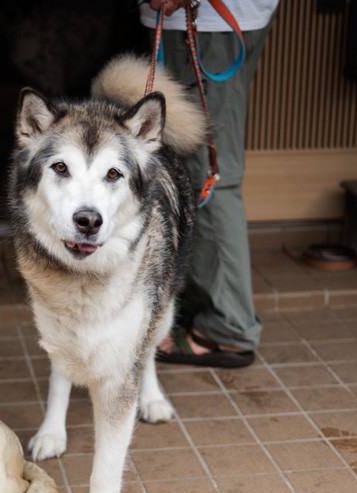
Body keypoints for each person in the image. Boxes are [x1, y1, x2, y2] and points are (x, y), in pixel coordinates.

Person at [141, 0, 279, 368]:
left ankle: (228, 327)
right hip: (212, 20)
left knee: (210, 176)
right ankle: (204, 310)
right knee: (192, 169)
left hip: (207, 21)